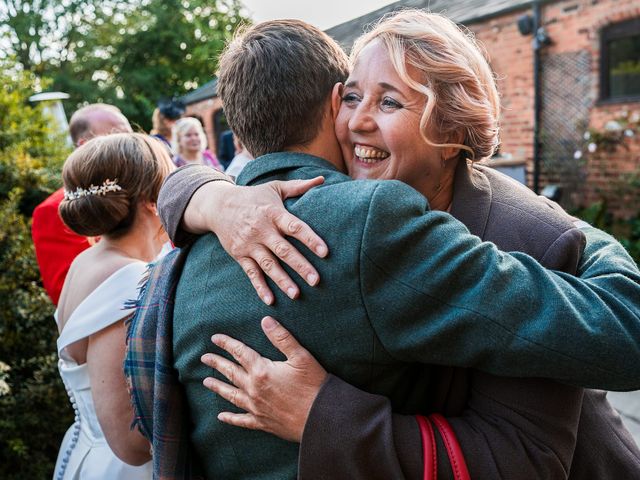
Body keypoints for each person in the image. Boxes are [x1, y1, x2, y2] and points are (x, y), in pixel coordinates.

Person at [127, 18, 640, 480]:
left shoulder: (525, 234)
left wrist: (321, 416)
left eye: (389, 101)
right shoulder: (291, 212)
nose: (356, 122)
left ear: (453, 127)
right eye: (352, 97)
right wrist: (203, 195)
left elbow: (523, 459)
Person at [54, 133, 174, 479]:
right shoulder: (126, 277)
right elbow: (131, 443)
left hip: (87, 450)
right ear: (153, 200)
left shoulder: (87, 260)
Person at [31, 103, 132, 305]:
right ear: (85, 145)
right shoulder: (54, 210)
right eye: (118, 136)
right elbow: (66, 293)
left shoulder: (144, 193)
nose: (131, 144)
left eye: (131, 135)